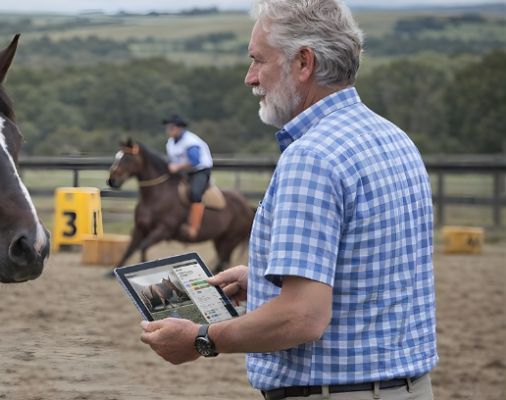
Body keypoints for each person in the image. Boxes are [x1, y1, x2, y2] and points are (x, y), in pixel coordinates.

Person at [139, 1, 437, 399]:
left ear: (303, 63)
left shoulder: (310, 157)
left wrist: (201, 338)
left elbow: (301, 317)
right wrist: (264, 282)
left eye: (258, 60)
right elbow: (370, 270)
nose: (250, 78)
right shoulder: (394, 139)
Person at [162, 114, 214, 239]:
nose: (169, 130)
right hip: (183, 171)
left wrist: (177, 167)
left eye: (172, 127)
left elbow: (195, 161)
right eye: (168, 127)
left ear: (180, 128)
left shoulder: (190, 141)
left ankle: (193, 228)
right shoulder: (170, 142)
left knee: (195, 193)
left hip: (199, 170)